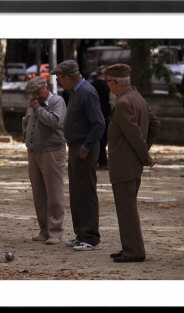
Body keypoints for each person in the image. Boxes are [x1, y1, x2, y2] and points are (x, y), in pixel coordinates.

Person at [103, 64, 160, 263]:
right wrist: (144, 152)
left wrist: (145, 156)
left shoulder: (124, 102)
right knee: (126, 208)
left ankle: (134, 251)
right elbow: (154, 124)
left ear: (114, 83)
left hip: (124, 165)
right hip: (131, 164)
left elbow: (134, 135)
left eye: (108, 83)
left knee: (126, 210)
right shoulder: (137, 98)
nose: (108, 87)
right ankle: (129, 247)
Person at [50, 60, 106, 251]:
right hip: (76, 147)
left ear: (68, 77)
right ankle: (81, 234)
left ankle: (91, 237)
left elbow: (99, 123)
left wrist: (86, 146)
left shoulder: (87, 93)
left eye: (59, 78)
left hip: (84, 149)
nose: (58, 81)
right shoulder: (75, 92)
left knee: (85, 193)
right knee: (76, 192)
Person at [22, 76, 67, 245]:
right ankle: (44, 229)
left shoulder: (57, 101)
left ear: (46, 87)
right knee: (39, 193)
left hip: (52, 151)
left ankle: (55, 232)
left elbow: (54, 121)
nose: (36, 96)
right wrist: (25, 137)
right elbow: (27, 121)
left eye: (38, 92)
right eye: (33, 94)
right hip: (34, 151)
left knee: (54, 192)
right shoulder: (34, 102)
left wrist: (39, 109)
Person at [91, 65, 112, 170]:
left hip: (93, 116)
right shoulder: (108, 86)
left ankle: (94, 161)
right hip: (105, 115)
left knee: (95, 140)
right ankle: (103, 162)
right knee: (103, 141)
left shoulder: (92, 86)